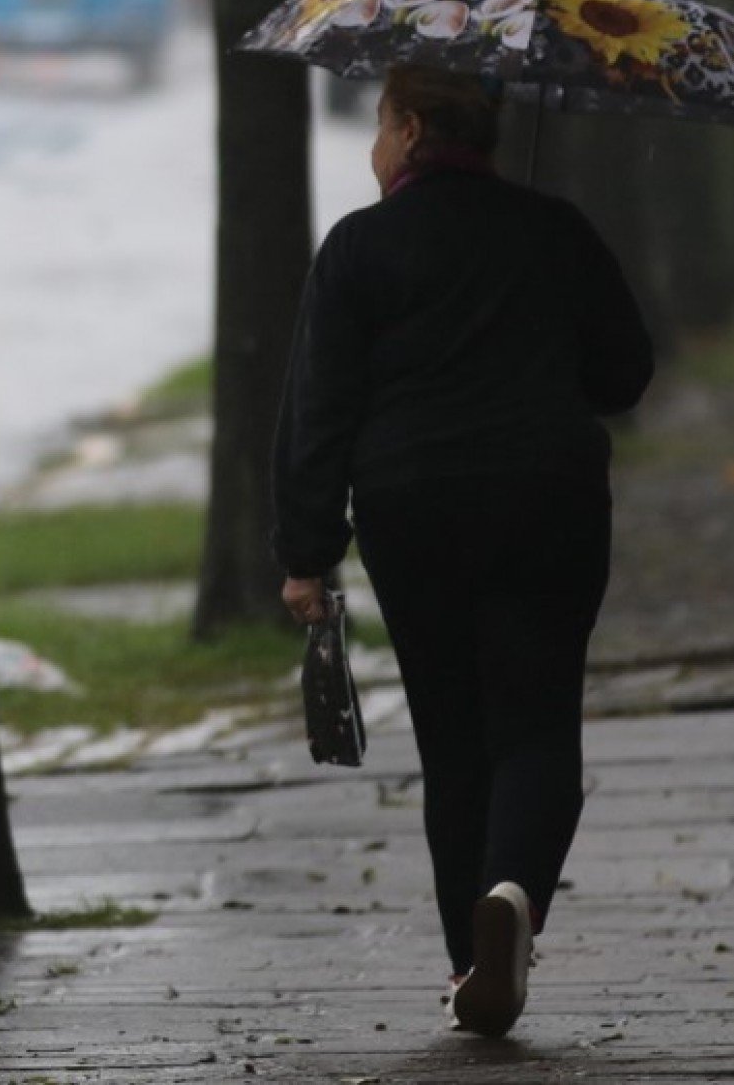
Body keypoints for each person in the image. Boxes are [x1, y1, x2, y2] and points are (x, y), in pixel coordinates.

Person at [271, 65, 654, 1037]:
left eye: (377, 126)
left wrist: (307, 551)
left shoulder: (359, 248)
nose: (373, 146)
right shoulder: (552, 230)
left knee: (452, 735)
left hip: (413, 509)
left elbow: (319, 409)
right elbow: (625, 371)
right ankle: (514, 897)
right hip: (547, 497)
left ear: (406, 129)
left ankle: (466, 960)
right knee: (534, 722)